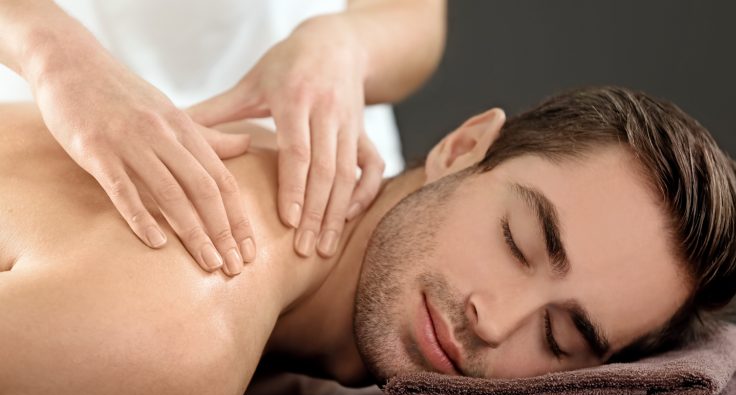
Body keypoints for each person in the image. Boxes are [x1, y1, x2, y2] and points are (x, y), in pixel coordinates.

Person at [0, 87, 736, 395]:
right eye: (519, 240)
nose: (491, 318)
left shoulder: (269, 334)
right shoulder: (185, 340)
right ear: (464, 148)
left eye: (561, 337)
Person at [0, 0, 446, 272]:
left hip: (320, 150)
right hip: (50, 107)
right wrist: (51, 53)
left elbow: (414, 12)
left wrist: (346, 43)